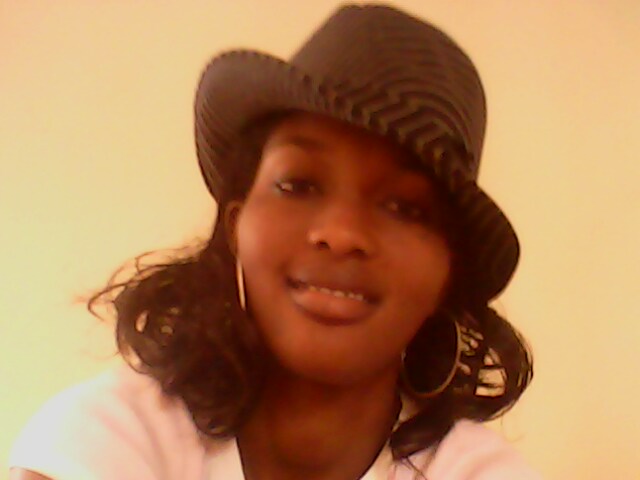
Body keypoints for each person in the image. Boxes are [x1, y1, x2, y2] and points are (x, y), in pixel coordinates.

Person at [9, 4, 539, 480]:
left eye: (404, 207)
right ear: (236, 226)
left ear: (448, 273)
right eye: (298, 184)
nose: (341, 233)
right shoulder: (109, 439)